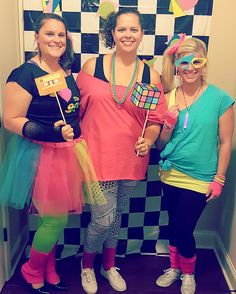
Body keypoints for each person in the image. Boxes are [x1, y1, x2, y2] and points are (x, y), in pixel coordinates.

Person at [0, 13, 104, 294]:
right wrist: (52, 132)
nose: (56, 40)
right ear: (37, 37)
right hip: (39, 155)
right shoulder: (25, 73)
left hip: (67, 152)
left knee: (55, 217)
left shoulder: (64, 71)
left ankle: (49, 268)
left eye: (61, 35)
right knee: (54, 218)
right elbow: (10, 119)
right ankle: (31, 268)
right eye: (49, 34)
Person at [76, 8, 167, 294]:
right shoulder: (93, 66)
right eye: (121, 29)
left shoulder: (150, 74)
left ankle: (109, 264)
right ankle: (87, 265)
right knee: (102, 217)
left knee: (115, 217)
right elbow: (75, 110)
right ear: (112, 33)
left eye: (134, 29)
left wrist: (149, 140)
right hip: (96, 156)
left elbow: (155, 120)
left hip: (131, 158)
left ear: (141, 34)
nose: (127, 35)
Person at [155, 37, 234, 294]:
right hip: (170, 172)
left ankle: (188, 273)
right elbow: (160, 144)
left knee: (183, 227)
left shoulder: (221, 98)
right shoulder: (168, 98)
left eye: (196, 61)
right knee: (173, 222)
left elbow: (225, 142)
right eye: (184, 62)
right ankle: (175, 267)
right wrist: (167, 124)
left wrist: (219, 178)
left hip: (200, 177)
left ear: (204, 65)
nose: (190, 68)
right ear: (177, 66)